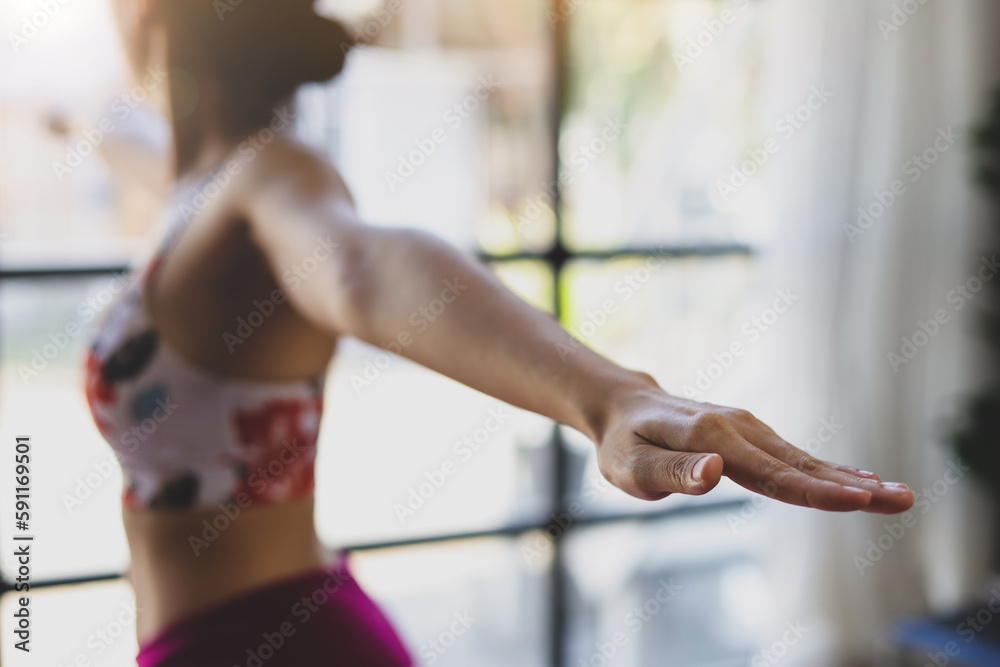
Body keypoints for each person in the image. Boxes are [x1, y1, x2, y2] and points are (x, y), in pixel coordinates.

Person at [83, 0, 916, 664]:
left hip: (272, 641)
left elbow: (363, 267)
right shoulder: (189, 188)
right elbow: (124, 136)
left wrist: (608, 395)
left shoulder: (270, 175)